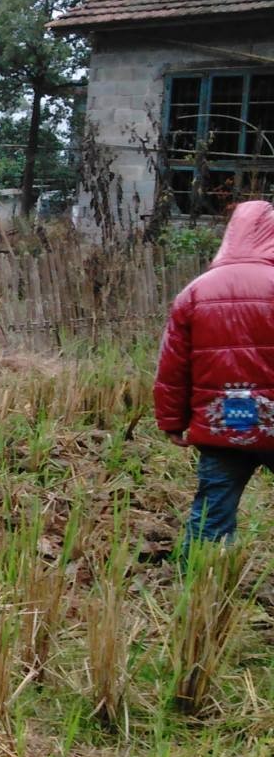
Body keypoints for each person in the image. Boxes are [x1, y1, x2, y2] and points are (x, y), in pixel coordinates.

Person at [154, 200, 274, 555]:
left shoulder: (195, 292)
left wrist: (171, 421)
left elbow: (173, 367)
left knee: (212, 509)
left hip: (221, 426)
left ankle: (197, 581)